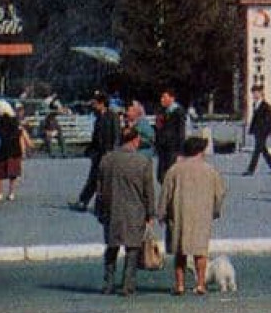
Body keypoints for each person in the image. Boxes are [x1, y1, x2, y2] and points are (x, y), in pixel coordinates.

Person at [158, 135, 226, 296]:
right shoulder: (210, 171)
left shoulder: (175, 170)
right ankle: (201, 284)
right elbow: (220, 193)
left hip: (179, 214)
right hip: (202, 215)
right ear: (200, 151)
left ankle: (180, 285)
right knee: (200, 251)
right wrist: (215, 211)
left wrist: (162, 213)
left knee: (180, 252)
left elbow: (165, 193)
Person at [97, 125, 156, 297]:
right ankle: (127, 285)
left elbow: (99, 188)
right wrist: (150, 213)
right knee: (132, 248)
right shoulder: (143, 162)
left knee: (112, 247)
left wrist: (100, 210)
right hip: (134, 210)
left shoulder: (106, 160)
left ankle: (108, 283)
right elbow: (148, 191)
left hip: (111, 209)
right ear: (135, 140)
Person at [74, 91, 120, 212]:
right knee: (93, 178)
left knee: (106, 181)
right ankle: (83, 201)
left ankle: (104, 205)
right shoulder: (99, 117)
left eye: (95, 103)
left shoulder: (112, 116)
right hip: (98, 153)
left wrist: (113, 152)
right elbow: (96, 137)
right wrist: (90, 150)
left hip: (109, 153)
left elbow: (116, 135)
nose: (93, 105)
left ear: (101, 103)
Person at [0, 99, 30, 201]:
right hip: (15, 151)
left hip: (2, 151)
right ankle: (11, 193)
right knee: (13, 173)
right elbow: (22, 136)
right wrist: (25, 148)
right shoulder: (16, 123)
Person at [244, 86, 271, 177]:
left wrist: (270, 130)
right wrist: (251, 129)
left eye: (256, 92)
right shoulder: (255, 104)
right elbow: (254, 119)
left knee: (257, 150)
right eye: (253, 93)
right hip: (257, 130)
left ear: (261, 93)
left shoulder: (266, 106)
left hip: (263, 131)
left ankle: (251, 170)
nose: (255, 95)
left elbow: (270, 119)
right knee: (263, 149)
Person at [153, 90, 185, 184]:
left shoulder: (178, 112)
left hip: (173, 148)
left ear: (172, 98)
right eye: (161, 97)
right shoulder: (162, 111)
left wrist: (180, 151)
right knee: (161, 175)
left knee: (170, 175)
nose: (162, 100)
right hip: (162, 148)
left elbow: (181, 132)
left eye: (164, 97)